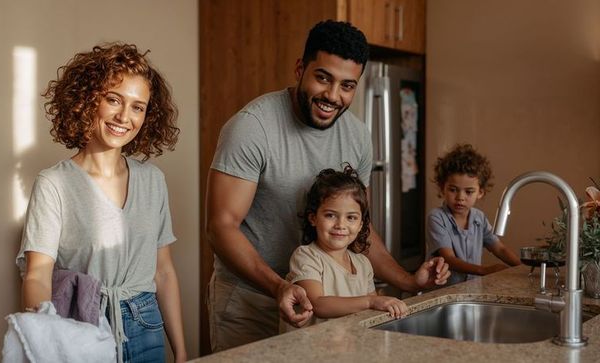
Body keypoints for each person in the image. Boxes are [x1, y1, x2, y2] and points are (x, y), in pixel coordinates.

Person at [206, 20, 449, 352]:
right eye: (323, 78)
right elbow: (221, 226)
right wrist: (280, 287)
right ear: (300, 68)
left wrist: (408, 280)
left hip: (328, 309)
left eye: (347, 85)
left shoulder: (358, 137)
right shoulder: (253, 128)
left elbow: (360, 228)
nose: (333, 96)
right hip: (252, 303)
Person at [17, 43, 187, 362]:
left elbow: (163, 272)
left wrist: (180, 350)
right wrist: (49, 339)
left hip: (147, 325)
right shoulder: (54, 184)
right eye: (114, 100)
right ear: (87, 100)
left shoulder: (153, 181)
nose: (125, 116)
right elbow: (37, 275)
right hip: (82, 327)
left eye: (138, 107)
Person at [286, 165, 408, 329]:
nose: (340, 225)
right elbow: (318, 304)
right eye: (330, 215)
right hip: (313, 351)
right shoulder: (306, 256)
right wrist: (371, 300)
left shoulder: (363, 264)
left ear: (360, 225)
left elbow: (371, 312)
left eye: (351, 217)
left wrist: (382, 303)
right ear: (313, 218)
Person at [427, 143, 522, 286]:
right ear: (442, 188)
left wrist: (523, 269)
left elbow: (500, 249)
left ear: (480, 192)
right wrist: (485, 270)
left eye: (469, 192)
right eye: (453, 190)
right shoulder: (436, 217)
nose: (460, 197)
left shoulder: (479, 218)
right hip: (442, 294)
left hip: (470, 291)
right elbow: (449, 259)